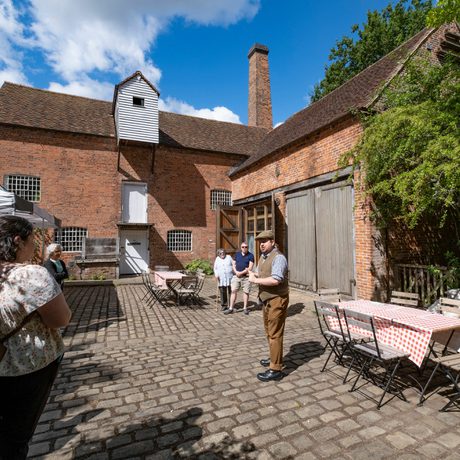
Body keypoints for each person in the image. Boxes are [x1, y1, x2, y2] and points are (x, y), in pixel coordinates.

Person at [0, 216, 72, 459]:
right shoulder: (31, 274)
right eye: (33, 239)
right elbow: (60, 319)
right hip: (27, 367)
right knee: (15, 437)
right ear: (18, 241)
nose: (35, 245)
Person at [248, 230, 289, 382]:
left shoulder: (278, 258)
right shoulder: (263, 258)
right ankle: (274, 357)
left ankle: (276, 369)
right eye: (260, 242)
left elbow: (275, 280)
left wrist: (255, 280)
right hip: (266, 299)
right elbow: (260, 273)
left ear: (272, 241)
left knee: (275, 333)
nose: (261, 244)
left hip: (277, 299)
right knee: (269, 331)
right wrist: (252, 273)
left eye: (265, 241)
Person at [224, 241, 254, 315]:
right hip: (236, 276)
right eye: (243, 247)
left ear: (248, 248)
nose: (244, 248)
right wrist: (236, 272)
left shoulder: (251, 255)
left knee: (246, 292)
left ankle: (245, 308)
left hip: (246, 277)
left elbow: (250, 268)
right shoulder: (237, 254)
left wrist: (241, 273)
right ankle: (231, 308)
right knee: (233, 291)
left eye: (246, 247)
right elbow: (233, 264)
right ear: (241, 248)